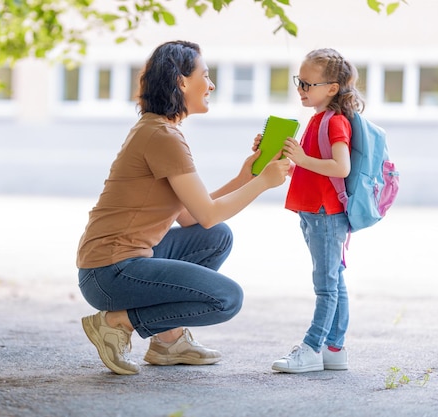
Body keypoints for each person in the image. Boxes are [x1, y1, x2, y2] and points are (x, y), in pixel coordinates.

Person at [77, 40, 290, 375]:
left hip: (116, 264)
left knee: (215, 237)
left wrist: (245, 176)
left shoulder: (158, 129)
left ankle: (167, 342)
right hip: (110, 272)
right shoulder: (163, 136)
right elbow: (207, 213)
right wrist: (263, 183)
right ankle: (118, 323)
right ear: (181, 82)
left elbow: (194, 217)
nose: (212, 84)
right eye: (205, 75)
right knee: (226, 299)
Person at [267, 48, 365, 373]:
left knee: (325, 284)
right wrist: (288, 159)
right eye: (300, 82)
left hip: (325, 213)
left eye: (307, 84)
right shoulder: (318, 120)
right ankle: (334, 348)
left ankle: (312, 348)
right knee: (334, 280)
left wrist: (301, 159)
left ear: (332, 88)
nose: (301, 90)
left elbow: (341, 167)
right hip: (313, 212)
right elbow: (312, 169)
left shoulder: (336, 122)